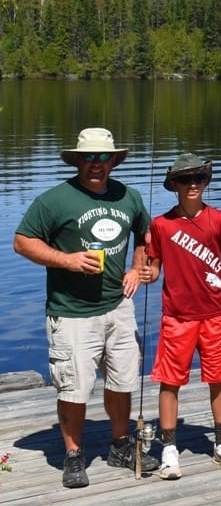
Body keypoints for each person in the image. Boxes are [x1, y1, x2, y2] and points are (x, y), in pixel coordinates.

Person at [14, 127, 159, 488]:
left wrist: (137, 269)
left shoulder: (128, 196)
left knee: (123, 380)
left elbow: (146, 234)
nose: (96, 164)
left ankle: (121, 446)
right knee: (73, 388)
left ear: (113, 160)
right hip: (72, 312)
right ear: (78, 160)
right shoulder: (55, 200)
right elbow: (22, 242)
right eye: (89, 157)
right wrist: (67, 260)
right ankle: (74, 455)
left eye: (103, 157)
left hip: (118, 306)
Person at [138, 153, 221, 480]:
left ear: (206, 181)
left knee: (219, 378)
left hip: (213, 314)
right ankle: (169, 448)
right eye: (185, 179)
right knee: (170, 381)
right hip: (177, 316)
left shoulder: (220, 220)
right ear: (175, 185)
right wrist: (147, 274)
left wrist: (216, 276)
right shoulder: (161, 225)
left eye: (199, 178)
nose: (193, 184)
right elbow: (155, 269)